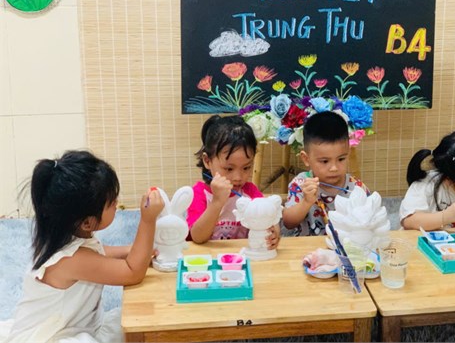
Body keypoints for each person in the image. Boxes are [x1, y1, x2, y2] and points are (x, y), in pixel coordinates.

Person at [0, 150, 164, 343]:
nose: (117, 203)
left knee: (133, 320)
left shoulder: (66, 238)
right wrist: (148, 220)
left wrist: (131, 250)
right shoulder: (69, 260)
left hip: (83, 324)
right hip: (52, 338)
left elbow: (98, 254)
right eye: (112, 202)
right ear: (87, 223)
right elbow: (132, 273)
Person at [187, 115, 280, 247]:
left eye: (246, 167)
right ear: (207, 161)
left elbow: (269, 218)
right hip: (210, 257)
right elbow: (197, 237)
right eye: (229, 169)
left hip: (243, 256)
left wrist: (274, 232)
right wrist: (217, 202)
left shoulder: (249, 192)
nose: (238, 177)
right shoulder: (199, 193)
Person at [283, 111, 370, 236]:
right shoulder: (301, 184)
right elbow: (288, 223)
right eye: (324, 161)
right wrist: (306, 202)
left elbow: (370, 220)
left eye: (341, 159)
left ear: (348, 153)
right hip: (308, 247)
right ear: (306, 159)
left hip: (347, 245)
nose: (334, 168)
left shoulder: (357, 187)